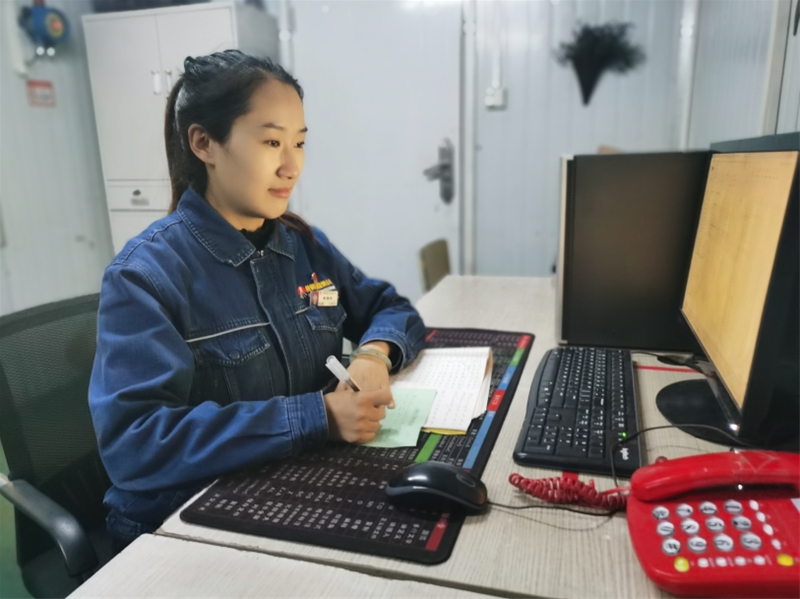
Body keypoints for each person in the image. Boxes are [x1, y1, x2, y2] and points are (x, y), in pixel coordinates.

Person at [89, 49, 425, 550]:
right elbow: (135, 444)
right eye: (271, 141)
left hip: (289, 491)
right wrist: (319, 417)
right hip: (177, 527)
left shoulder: (302, 245)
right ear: (204, 143)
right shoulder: (145, 277)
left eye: (300, 143)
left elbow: (391, 308)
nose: (292, 166)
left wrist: (375, 354)